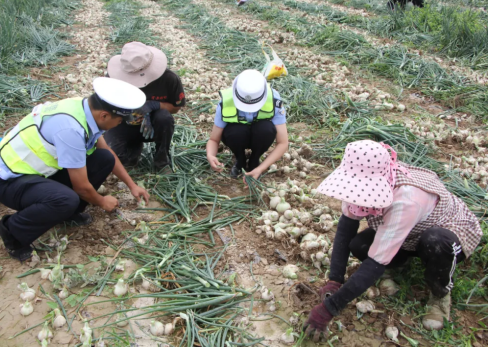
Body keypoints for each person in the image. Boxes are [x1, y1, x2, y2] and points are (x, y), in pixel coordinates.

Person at [303, 140, 482, 340]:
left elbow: (376, 261)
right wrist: (334, 280)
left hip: (447, 230)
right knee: (358, 245)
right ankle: (398, 264)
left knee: (435, 243)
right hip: (408, 232)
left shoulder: (406, 199)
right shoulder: (355, 182)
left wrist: (329, 309)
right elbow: (346, 229)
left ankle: (440, 296)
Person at [0, 77, 150, 262]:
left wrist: (132, 185)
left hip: (41, 174)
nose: (119, 124)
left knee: (104, 158)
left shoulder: (86, 109)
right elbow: (82, 186)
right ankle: (12, 231)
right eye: (120, 120)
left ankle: (68, 213)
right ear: (105, 116)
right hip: (12, 182)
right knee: (66, 199)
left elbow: (106, 151)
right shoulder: (70, 130)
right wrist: (101, 201)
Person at [104, 42, 186, 171]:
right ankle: (133, 147)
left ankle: (161, 159)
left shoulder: (169, 79)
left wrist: (153, 105)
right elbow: (104, 108)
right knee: (115, 160)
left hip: (152, 127)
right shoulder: (113, 79)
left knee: (164, 117)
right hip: (124, 122)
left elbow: (175, 108)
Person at [206, 69, 288, 179]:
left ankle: (255, 159)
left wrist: (261, 168)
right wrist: (210, 155)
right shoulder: (226, 102)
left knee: (266, 129)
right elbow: (213, 139)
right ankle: (240, 159)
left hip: (260, 136)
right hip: (238, 137)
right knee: (235, 131)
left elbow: (283, 143)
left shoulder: (273, 100)